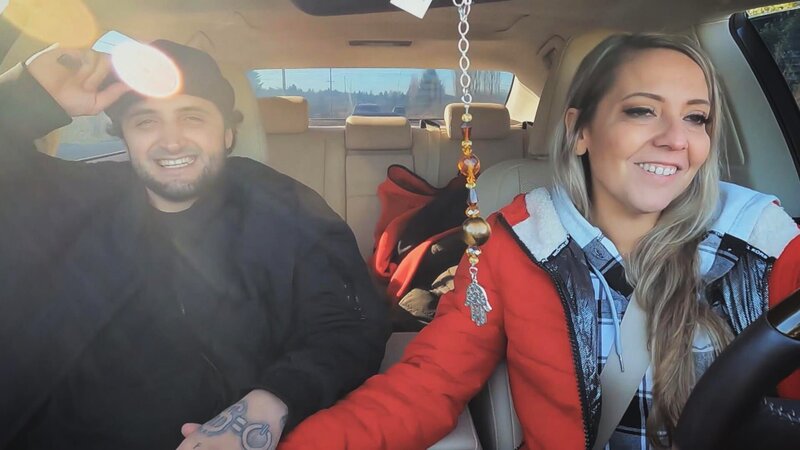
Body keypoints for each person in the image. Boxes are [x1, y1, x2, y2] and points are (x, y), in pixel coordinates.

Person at [279, 33, 800, 450]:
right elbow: (430, 382)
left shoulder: (765, 242)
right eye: (642, 111)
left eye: (696, 117)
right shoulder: (518, 242)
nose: (676, 139)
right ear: (580, 131)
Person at [0, 40, 387, 449]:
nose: (171, 141)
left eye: (192, 117)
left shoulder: (286, 208)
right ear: (125, 138)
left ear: (227, 132)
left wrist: (272, 401)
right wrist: (24, 95)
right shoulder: (76, 200)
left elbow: (350, 324)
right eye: (146, 122)